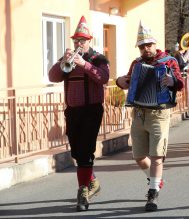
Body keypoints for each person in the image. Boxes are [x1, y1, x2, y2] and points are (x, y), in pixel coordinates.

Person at [116, 21, 184, 212]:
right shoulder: (137, 64)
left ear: (155, 44)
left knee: (156, 156)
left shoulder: (169, 61)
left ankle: (152, 193)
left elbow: (179, 83)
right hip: (138, 113)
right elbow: (128, 81)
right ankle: (156, 180)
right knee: (138, 156)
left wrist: (172, 81)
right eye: (142, 46)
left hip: (159, 113)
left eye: (148, 45)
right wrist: (120, 81)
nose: (146, 49)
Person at [48, 16, 109, 211]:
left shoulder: (98, 58)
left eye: (82, 40)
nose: (78, 43)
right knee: (76, 151)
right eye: (76, 40)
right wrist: (62, 63)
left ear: (89, 41)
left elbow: (103, 77)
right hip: (73, 111)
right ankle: (91, 181)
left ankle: (82, 191)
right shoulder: (68, 59)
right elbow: (53, 77)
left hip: (92, 110)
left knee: (86, 150)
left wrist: (84, 64)